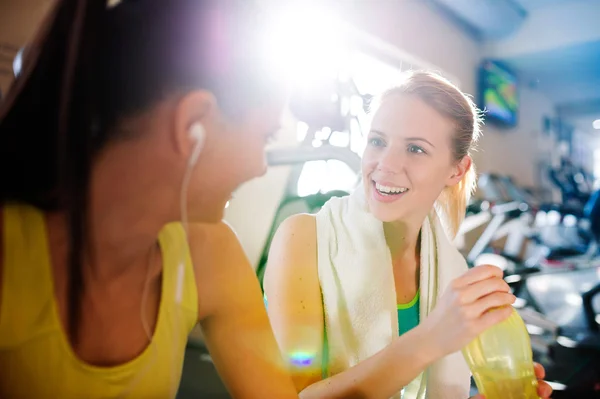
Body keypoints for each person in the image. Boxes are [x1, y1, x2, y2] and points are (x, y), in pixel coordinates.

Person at [0, 1, 300, 398]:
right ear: (193, 125)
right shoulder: (10, 251)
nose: (261, 167)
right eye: (265, 138)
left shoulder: (211, 259)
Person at [264, 71, 553, 399]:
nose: (385, 164)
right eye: (377, 141)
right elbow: (294, 396)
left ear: (456, 170)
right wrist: (430, 339)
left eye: (415, 149)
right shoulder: (303, 238)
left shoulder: (452, 268)